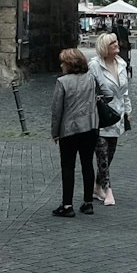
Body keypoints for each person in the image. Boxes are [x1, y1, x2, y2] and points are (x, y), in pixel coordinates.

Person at [49, 46, 101, 216]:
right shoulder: (91, 79)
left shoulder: (62, 82)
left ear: (69, 64)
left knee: (68, 167)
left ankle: (67, 205)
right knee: (87, 164)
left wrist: (55, 132)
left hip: (69, 130)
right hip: (90, 126)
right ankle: (87, 203)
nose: (61, 66)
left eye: (63, 62)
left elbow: (57, 110)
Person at [89, 30, 131, 206]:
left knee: (110, 153)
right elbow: (89, 90)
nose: (117, 45)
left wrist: (128, 110)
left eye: (116, 42)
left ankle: (97, 186)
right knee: (102, 155)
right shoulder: (94, 66)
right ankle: (108, 190)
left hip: (116, 115)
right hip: (100, 115)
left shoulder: (121, 63)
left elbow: (125, 91)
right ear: (104, 47)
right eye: (113, 43)